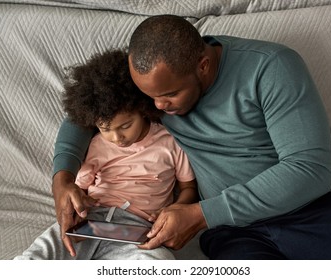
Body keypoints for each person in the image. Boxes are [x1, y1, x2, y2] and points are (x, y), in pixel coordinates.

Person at [52, 15, 331, 259]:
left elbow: (309, 169)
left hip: (316, 210)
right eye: (149, 97)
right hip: (233, 230)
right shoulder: (151, 79)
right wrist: (63, 178)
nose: (155, 105)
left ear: (203, 66)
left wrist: (202, 214)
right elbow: (84, 113)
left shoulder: (272, 66)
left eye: (169, 96)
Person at [15, 49, 197, 260]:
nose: (117, 137)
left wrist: (175, 209)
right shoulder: (96, 145)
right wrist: (78, 203)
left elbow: (188, 187)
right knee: (39, 254)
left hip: (139, 228)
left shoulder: (170, 142)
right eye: (105, 129)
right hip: (91, 221)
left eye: (126, 126)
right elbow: (81, 187)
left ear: (142, 109)